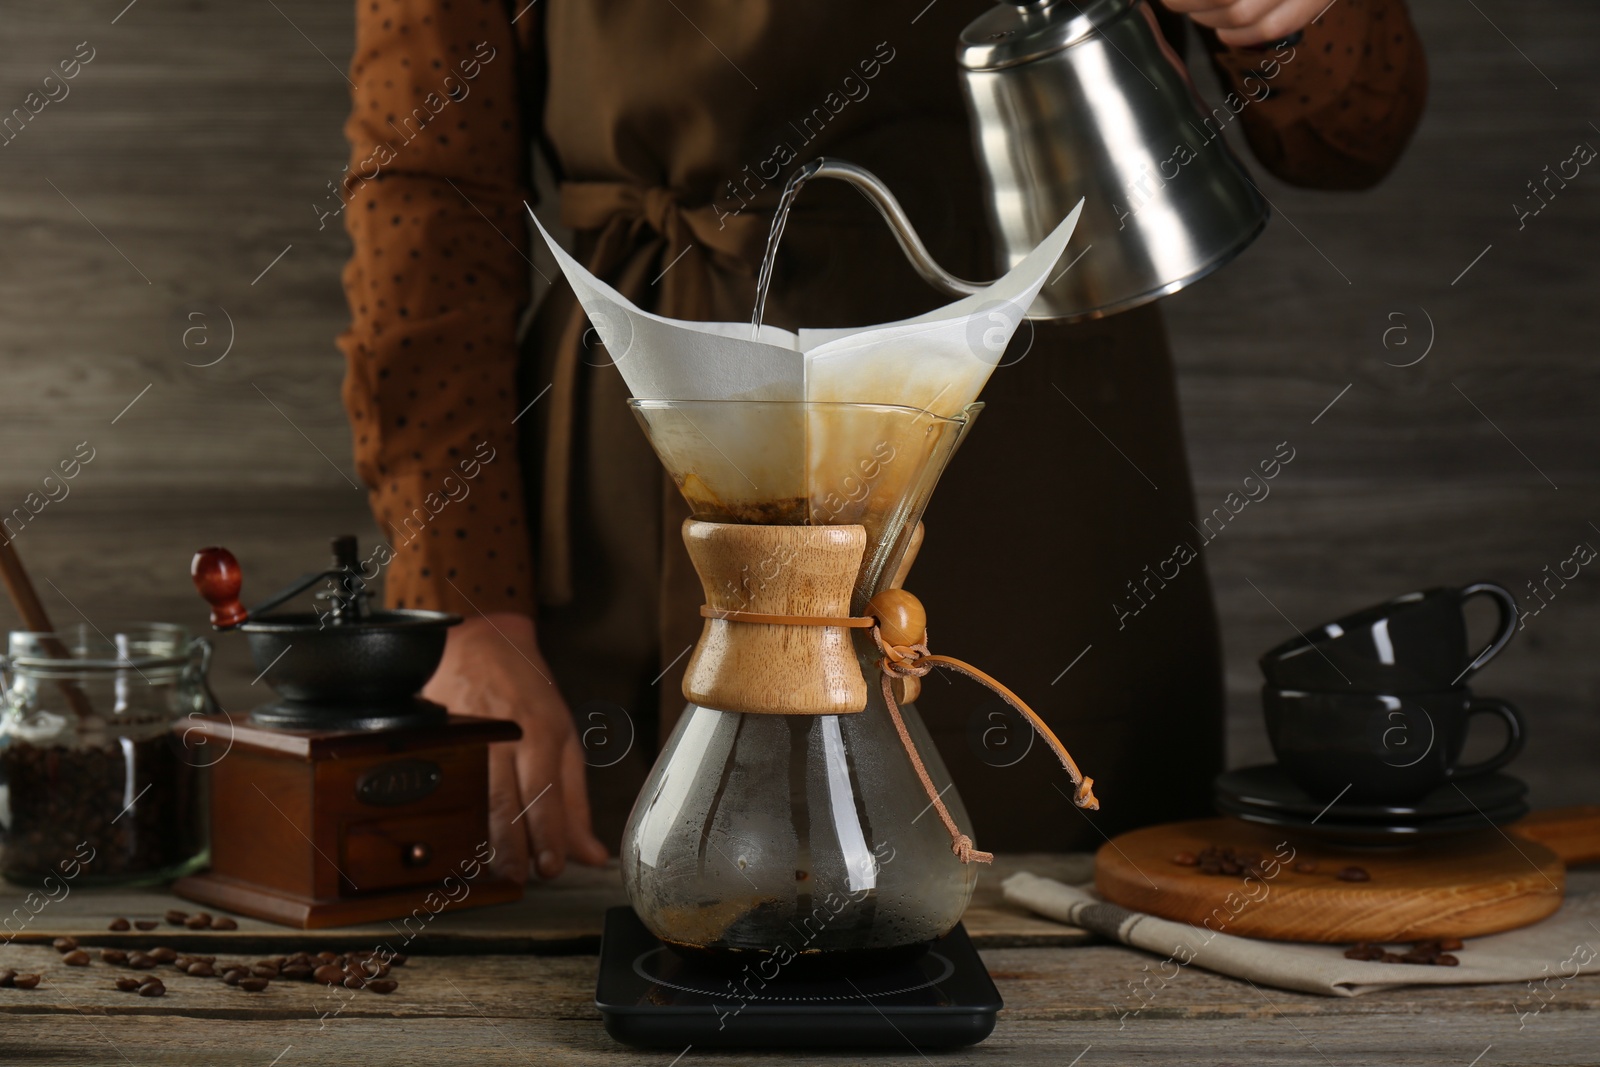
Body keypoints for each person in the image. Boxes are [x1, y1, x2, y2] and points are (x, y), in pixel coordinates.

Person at [337, 0, 1427, 882]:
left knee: (1050, 944)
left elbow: (1347, 131)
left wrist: (1289, 18)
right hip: (651, 450)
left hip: (1033, 462)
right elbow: (426, 194)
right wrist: (469, 609)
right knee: (654, 942)